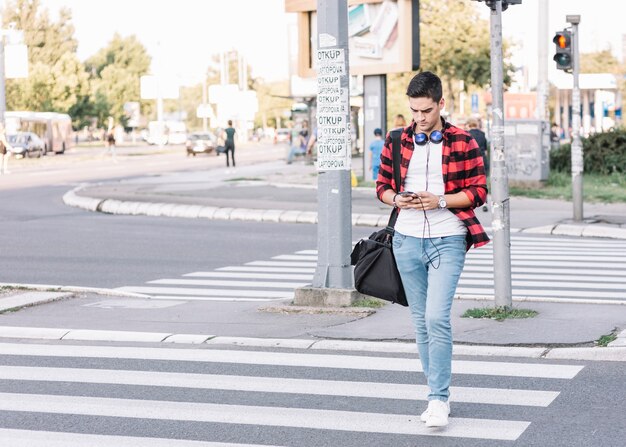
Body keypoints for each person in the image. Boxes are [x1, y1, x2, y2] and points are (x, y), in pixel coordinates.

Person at [375, 71, 489, 428]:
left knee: (437, 318)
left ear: (441, 104)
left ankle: (438, 399)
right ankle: (435, 390)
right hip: (405, 241)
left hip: (449, 238)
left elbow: (479, 192)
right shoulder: (396, 141)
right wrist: (397, 198)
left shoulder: (463, 141)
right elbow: (380, 186)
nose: (420, 119)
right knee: (421, 322)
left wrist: (439, 200)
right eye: (414, 111)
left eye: (426, 111)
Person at [467, 118, 489, 212]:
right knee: (483, 182)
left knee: (469, 182)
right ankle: (486, 202)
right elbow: (485, 149)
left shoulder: (466, 134)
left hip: (471, 160)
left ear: (469, 124)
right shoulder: (482, 134)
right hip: (482, 159)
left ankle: (469, 201)